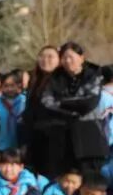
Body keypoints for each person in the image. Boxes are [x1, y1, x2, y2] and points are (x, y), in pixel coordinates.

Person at [38, 42, 110, 178]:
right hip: (63, 137)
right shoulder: (55, 78)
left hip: (89, 135)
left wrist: (62, 102)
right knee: (65, 179)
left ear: (81, 58)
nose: (67, 61)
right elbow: (47, 102)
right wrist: (75, 106)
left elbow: (90, 102)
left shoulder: (93, 74)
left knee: (91, 180)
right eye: (64, 57)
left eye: (71, 57)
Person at [22, 45, 61, 175]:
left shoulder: (62, 81)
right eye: (42, 56)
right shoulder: (34, 81)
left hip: (55, 137)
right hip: (35, 136)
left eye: (50, 57)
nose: (45, 60)